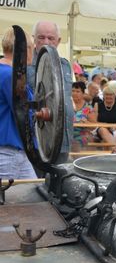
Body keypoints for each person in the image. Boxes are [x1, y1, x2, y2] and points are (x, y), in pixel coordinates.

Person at [28, 21, 74, 164]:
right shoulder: (27, 65)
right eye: (41, 37)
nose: (46, 42)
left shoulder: (65, 65)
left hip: (63, 139)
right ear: (34, 39)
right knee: (37, 183)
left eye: (51, 38)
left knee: (59, 181)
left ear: (58, 41)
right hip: (39, 140)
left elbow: (66, 97)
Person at [0, 28, 37, 180]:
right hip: (9, 153)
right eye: (32, 48)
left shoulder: (6, 72)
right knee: (8, 202)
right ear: (25, 49)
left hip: (15, 152)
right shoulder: (11, 75)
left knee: (32, 197)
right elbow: (24, 111)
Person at [71, 81, 97, 152]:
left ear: (83, 93)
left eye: (77, 91)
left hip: (82, 134)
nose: (74, 93)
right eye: (73, 91)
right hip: (67, 134)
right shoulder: (67, 106)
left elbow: (94, 126)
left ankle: (77, 161)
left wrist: (86, 122)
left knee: (76, 142)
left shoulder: (87, 108)